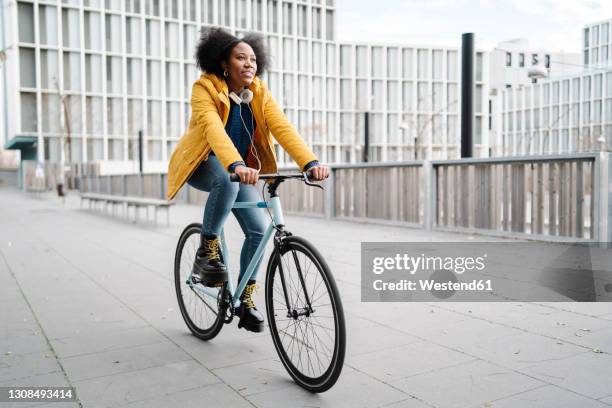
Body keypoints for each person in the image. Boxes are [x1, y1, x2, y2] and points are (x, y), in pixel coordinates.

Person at [166, 28, 329, 333]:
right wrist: (237, 163)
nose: (249, 64)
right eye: (241, 58)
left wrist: (310, 161)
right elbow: (213, 129)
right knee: (226, 182)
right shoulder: (204, 89)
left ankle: (244, 299)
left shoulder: (259, 92)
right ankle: (207, 250)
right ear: (224, 64)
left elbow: (282, 127)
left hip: (238, 168)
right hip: (203, 164)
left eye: (253, 59)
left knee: (257, 230)